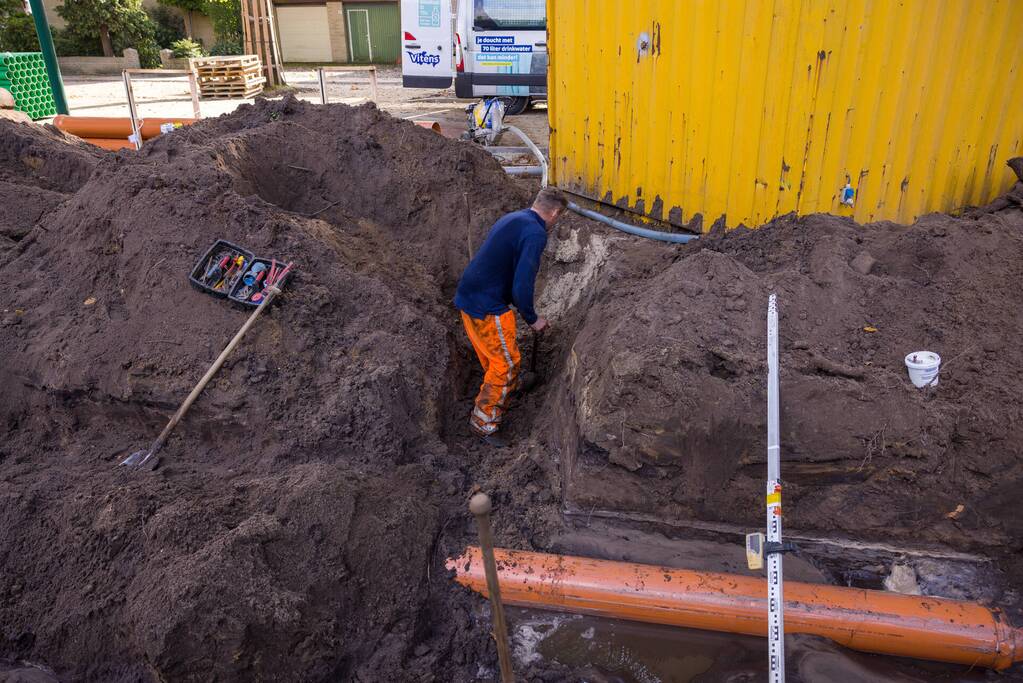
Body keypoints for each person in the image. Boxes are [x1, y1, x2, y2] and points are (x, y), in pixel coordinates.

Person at [454, 187, 568, 445]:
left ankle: (505, 388)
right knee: (505, 365)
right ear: (555, 213)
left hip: (468, 296)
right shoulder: (536, 233)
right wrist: (532, 318)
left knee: (494, 359)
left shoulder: (515, 218)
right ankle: (483, 423)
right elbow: (522, 285)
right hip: (487, 306)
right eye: (558, 217)